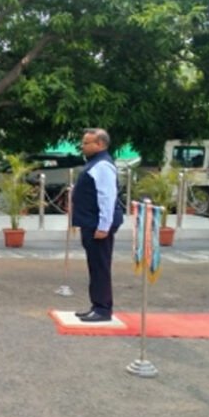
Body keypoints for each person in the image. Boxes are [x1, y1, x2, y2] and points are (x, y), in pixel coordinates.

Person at [71, 128, 124, 322]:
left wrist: (104, 226)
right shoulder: (95, 163)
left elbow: (107, 197)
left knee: (100, 266)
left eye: (87, 143)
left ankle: (102, 309)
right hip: (90, 222)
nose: (83, 147)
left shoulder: (102, 165)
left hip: (97, 225)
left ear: (100, 144)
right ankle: (97, 305)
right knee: (95, 266)